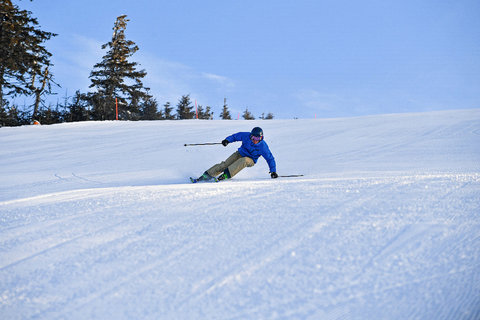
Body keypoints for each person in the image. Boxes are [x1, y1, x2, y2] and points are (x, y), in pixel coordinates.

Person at [195, 127, 278, 181]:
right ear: (251, 136)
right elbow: (235, 136)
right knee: (225, 164)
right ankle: (206, 175)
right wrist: (227, 140)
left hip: (251, 160)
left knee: (244, 160)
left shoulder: (263, 146)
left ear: (261, 138)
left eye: (258, 138)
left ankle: (226, 175)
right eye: (253, 138)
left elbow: (270, 158)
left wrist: (273, 171)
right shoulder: (246, 135)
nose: (255, 140)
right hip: (240, 153)